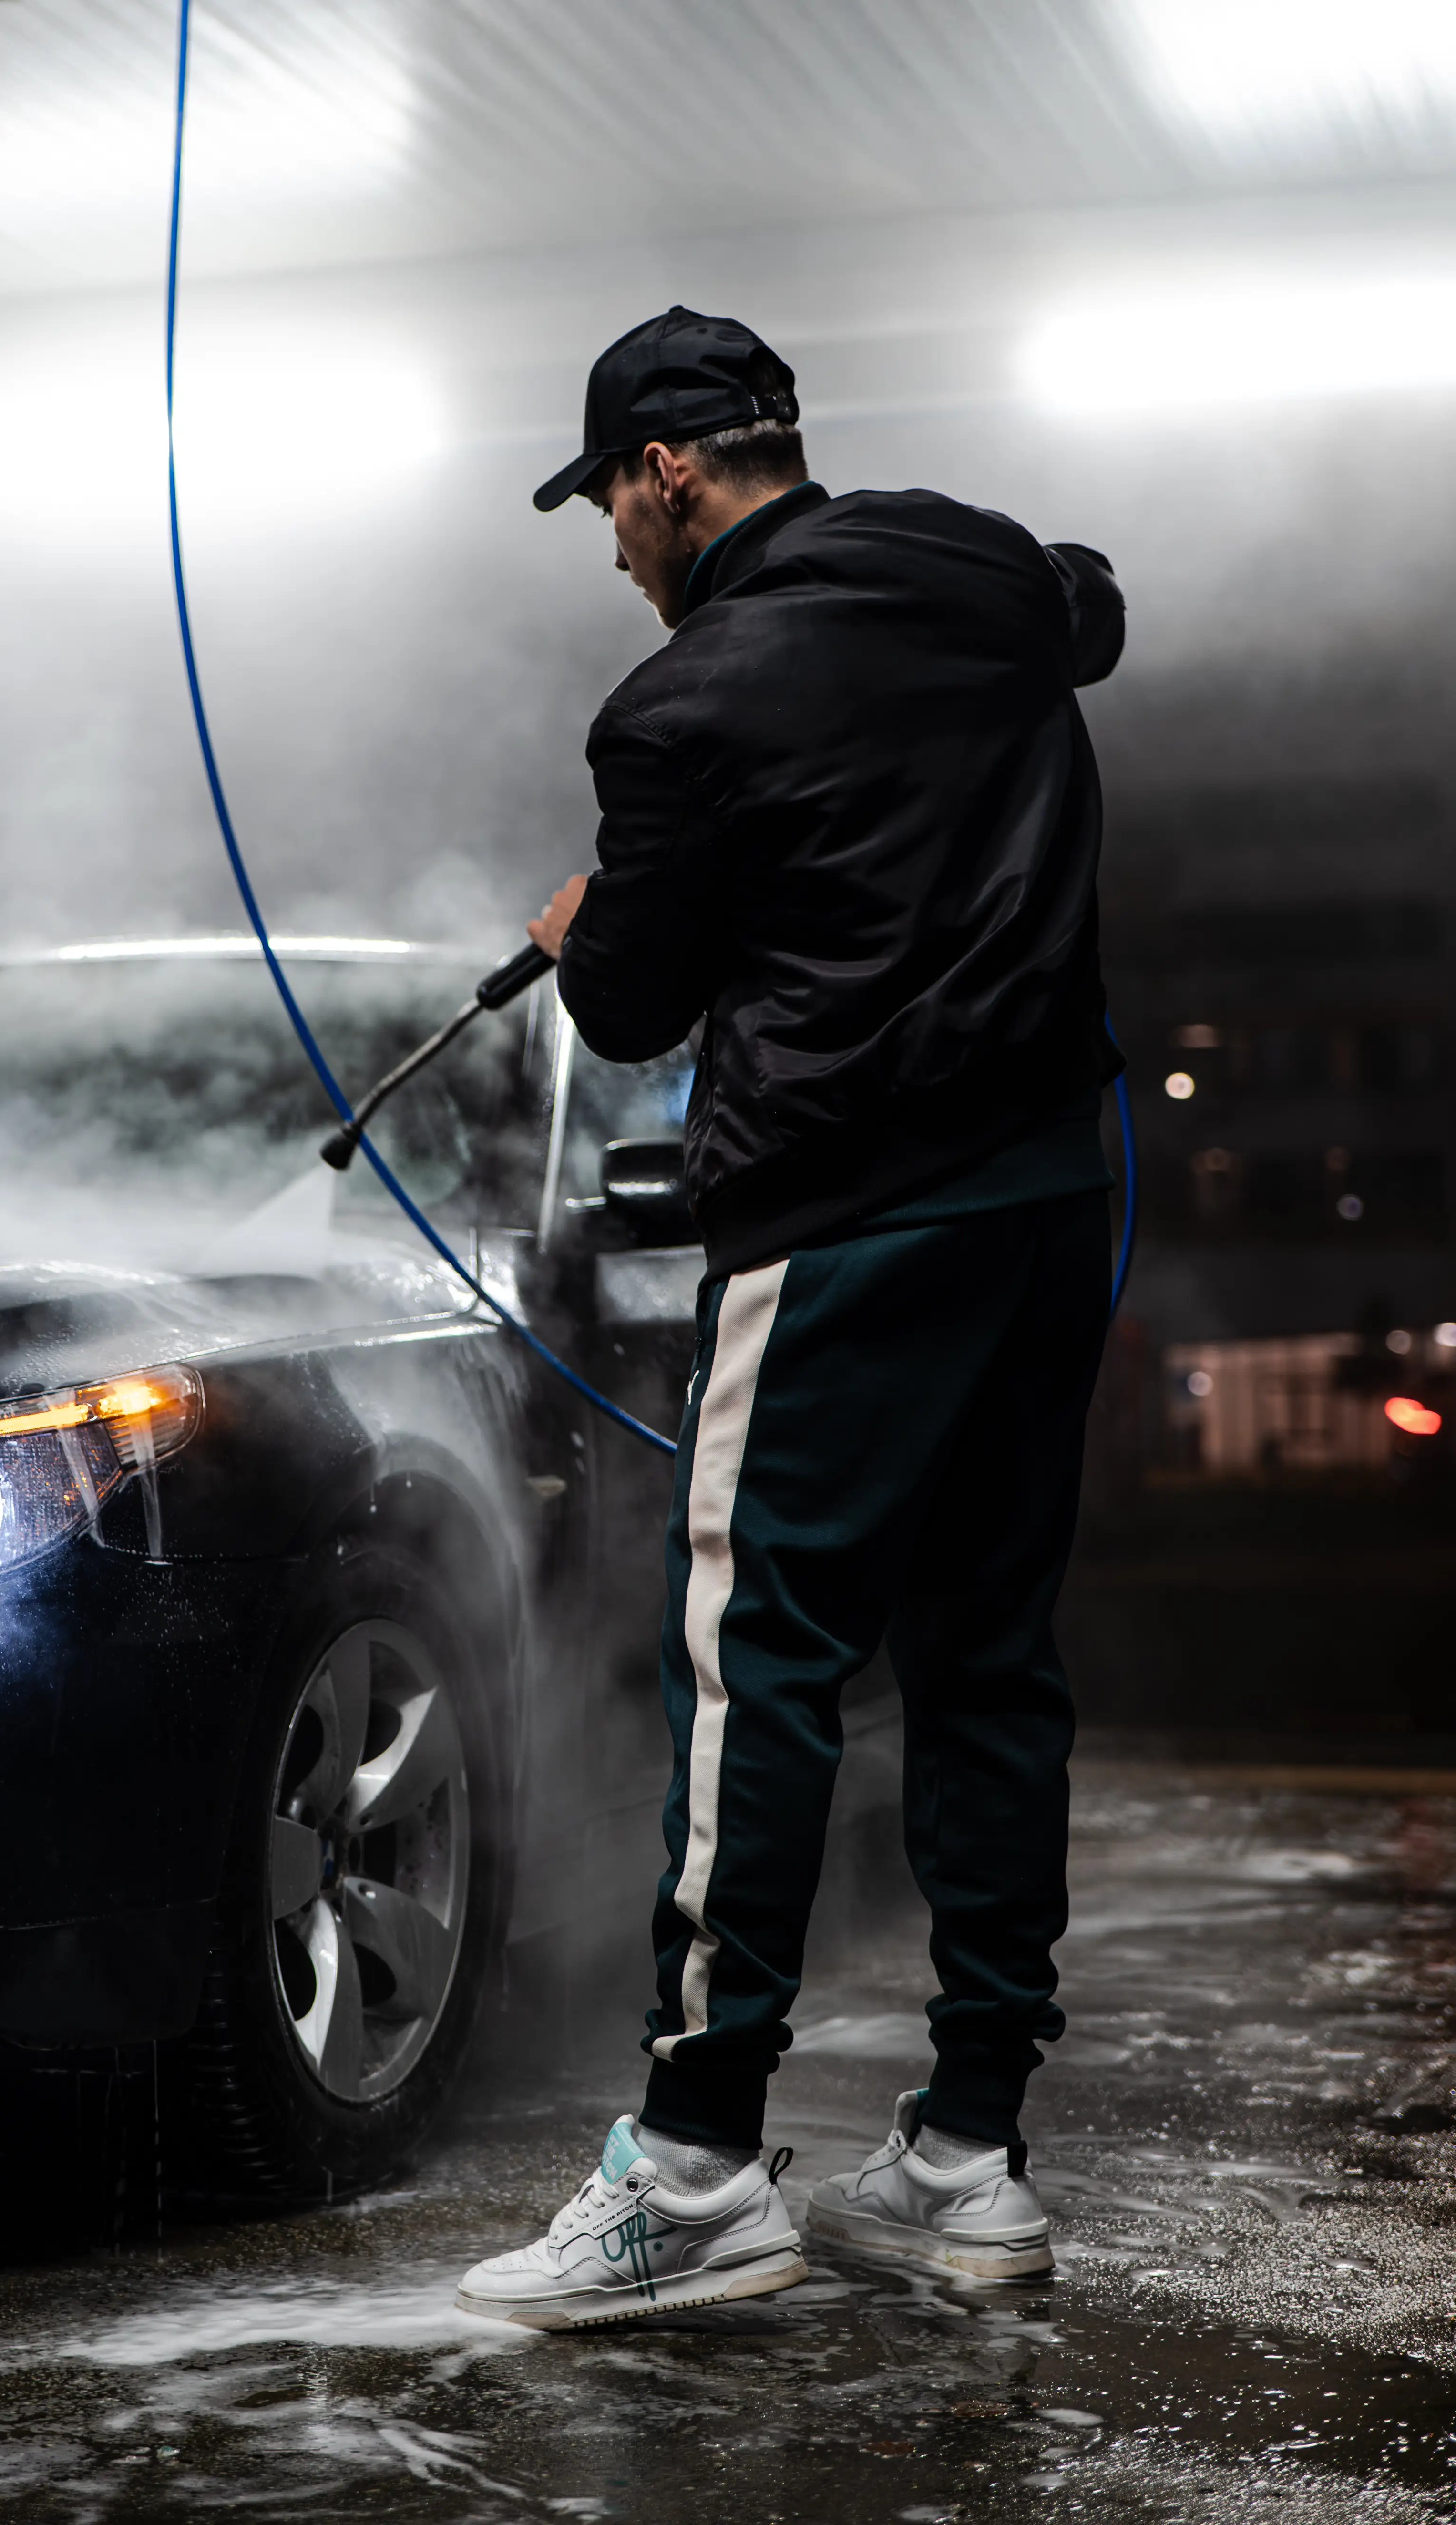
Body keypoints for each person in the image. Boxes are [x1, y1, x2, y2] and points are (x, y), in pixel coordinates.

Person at [456, 305, 1126, 2329]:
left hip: (847, 1221)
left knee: (761, 1660)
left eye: (609, 510)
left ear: (667, 475)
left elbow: (639, 1007)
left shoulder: (675, 710)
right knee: (991, 1655)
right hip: (1049, 1200)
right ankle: (968, 2157)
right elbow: (1085, 609)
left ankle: (693, 2164)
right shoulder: (971, 560)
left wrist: (599, 912)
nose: (611, 555)